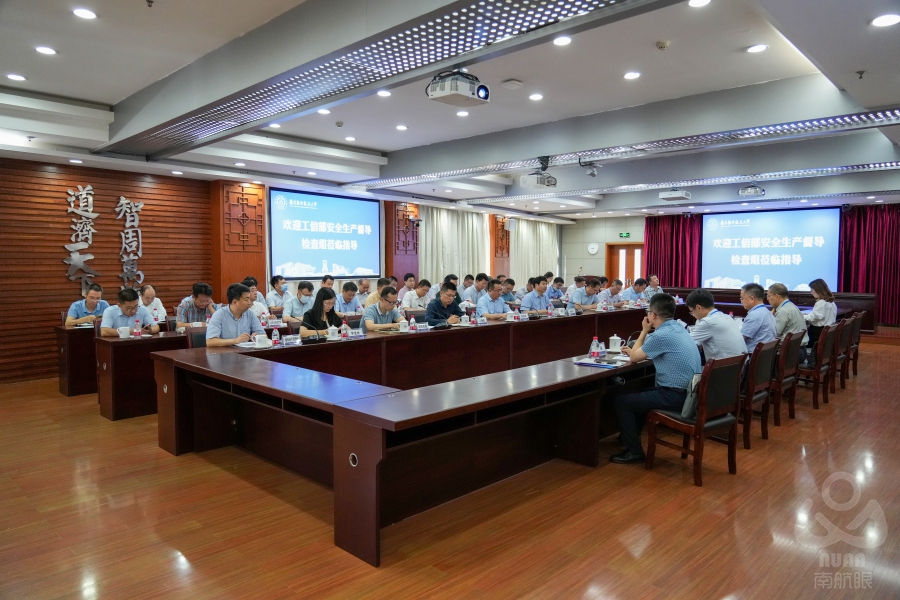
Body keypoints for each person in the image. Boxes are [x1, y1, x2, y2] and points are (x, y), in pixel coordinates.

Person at [611, 294, 702, 464]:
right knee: (638, 393)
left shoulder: (661, 335)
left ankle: (634, 451)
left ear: (652, 315)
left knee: (622, 402)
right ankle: (630, 438)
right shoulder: (678, 327)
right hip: (690, 393)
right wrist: (636, 351)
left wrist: (644, 330)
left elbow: (635, 358)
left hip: (677, 396)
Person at [686, 289, 747, 360]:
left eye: (692, 312)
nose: (693, 315)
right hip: (741, 363)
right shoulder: (727, 317)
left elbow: (685, 343)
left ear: (698, 307)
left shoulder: (708, 322)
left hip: (726, 366)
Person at [206, 283, 266, 347]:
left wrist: (257, 336)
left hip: (246, 351)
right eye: (246, 299)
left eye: (249, 299)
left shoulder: (250, 314)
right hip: (225, 352)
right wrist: (235, 341)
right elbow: (210, 342)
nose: (249, 302)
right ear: (235, 302)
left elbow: (263, 334)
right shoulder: (219, 315)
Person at [804, 278, 837, 365]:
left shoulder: (821, 303)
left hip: (817, 334)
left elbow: (814, 317)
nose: (811, 292)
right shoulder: (831, 302)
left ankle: (804, 362)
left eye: (812, 289)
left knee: (799, 343)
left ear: (818, 290)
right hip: (827, 332)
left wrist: (801, 316)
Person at [739, 283, 777, 353]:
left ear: (752, 299)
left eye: (742, 299)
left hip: (752, 356)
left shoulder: (755, 315)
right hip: (765, 355)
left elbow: (739, 339)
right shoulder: (767, 312)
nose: (741, 302)